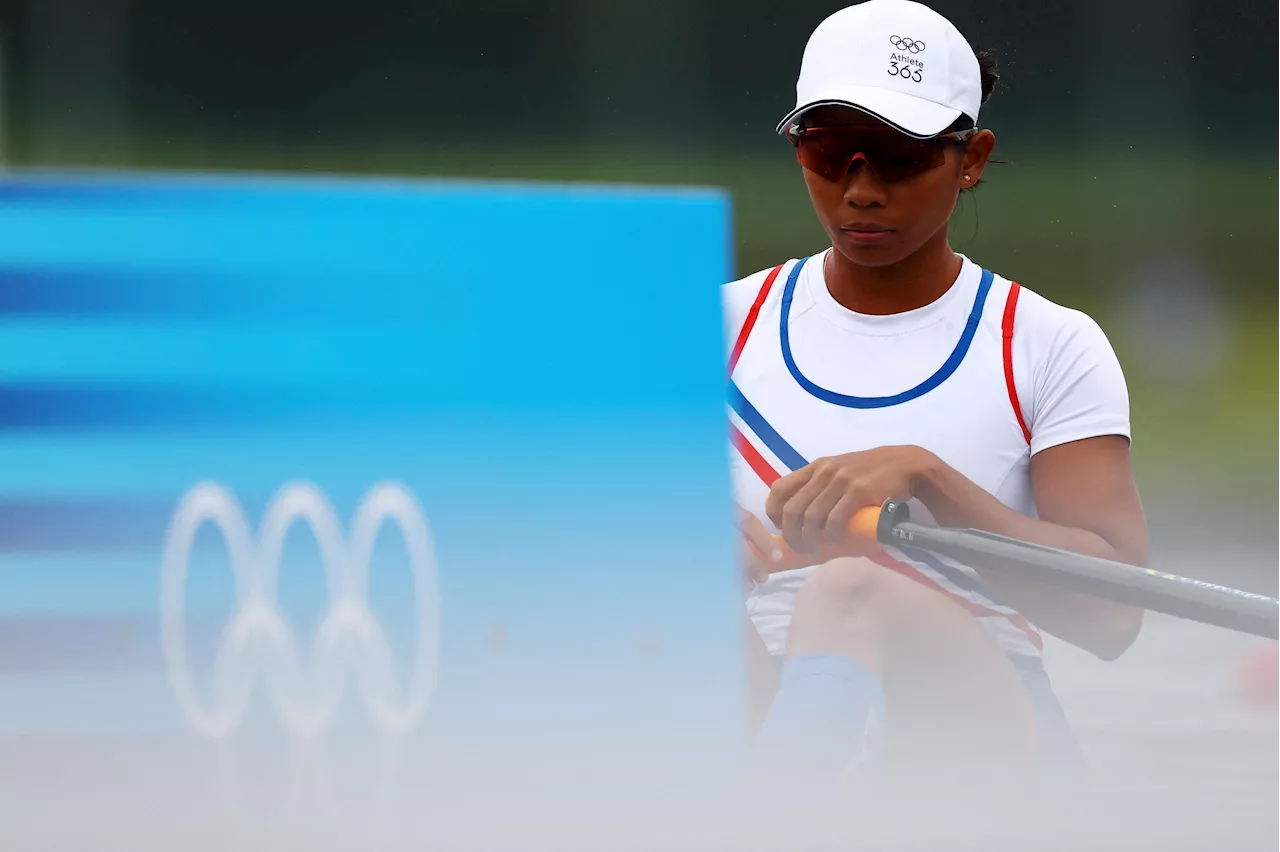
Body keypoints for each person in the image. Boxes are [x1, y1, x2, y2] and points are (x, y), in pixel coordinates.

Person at [727, 0, 1148, 790]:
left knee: (849, 587)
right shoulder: (711, 330)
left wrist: (930, 481)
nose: (861, 189)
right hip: (755, 699)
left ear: (972, 157)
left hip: (977, 736)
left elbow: (1114, 616)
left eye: (897, 155)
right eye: (832, 151)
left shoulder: (1049, 344)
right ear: (797, 149)